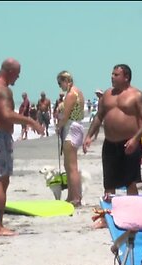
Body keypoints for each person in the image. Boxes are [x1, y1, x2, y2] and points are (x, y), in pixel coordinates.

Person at [0, 58, 44, 236]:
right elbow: (6, 115)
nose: (18, 77)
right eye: (17, 74)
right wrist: (31, 122)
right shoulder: (2, 89)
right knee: (2, 180)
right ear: (10, 72)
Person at [83, 64, 142, 197]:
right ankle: (108, 213)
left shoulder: (137, 95)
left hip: (130, 143)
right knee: (109, 183)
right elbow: (99, 116)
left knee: (130, 183)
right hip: (109, 144)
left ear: (126, 77)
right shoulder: (107, 94)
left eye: (116, 75)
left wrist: (135, 139)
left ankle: (132, 212)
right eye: (112, 74)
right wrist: (89, 136)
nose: (112, 77)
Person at [56, 71, 85, 206]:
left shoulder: (71, 94)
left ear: (65, 81)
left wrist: (58, 127)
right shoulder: (78, 92)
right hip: (77, 126)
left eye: (59, 83)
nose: (59, 86)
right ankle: (71, 195)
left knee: (71, 166)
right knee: (69, 165)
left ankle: (76, 198)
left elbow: (65, 116)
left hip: (71, 127)